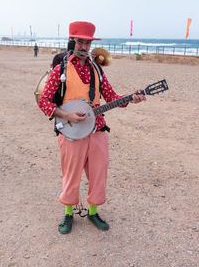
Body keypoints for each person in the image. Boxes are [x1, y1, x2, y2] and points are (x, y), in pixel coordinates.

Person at [39, 21, 146, 234]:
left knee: (99, 173)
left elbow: (112, 97)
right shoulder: (60, 70)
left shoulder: (97, 69)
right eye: (80, 42)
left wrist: (130, 98)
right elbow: (44, 101)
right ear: (72, 41)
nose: (84, 47)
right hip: (70, 131)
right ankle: (68, 214)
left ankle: (93, 211)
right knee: (71, 173)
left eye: (88, 43)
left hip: (97, 128)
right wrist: (66, 114)